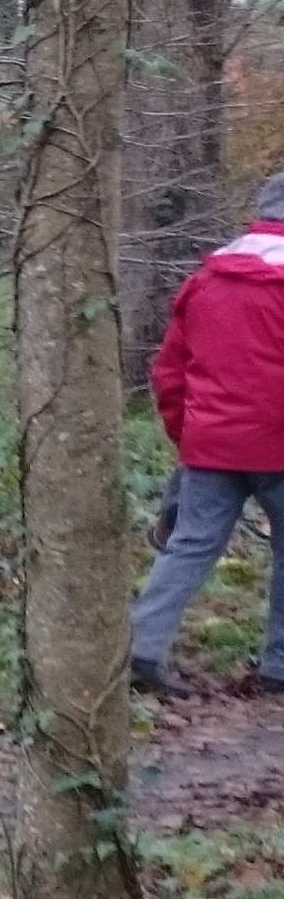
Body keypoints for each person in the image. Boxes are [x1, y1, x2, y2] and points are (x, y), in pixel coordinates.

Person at [132, 171, 284, 696]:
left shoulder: (206, 280)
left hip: (210, 447)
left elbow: (169, 372)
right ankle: (278, 669)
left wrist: (190, 435)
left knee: (191, 546)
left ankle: (141, 649)